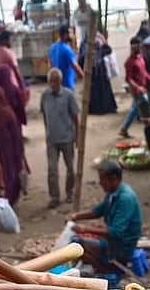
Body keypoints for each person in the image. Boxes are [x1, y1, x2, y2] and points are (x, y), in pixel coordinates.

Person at [66, 160, 142, 269]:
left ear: (113, 178)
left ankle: (105, 269)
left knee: (76, 244)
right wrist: (76, 216)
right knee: (83, 238)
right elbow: (98, 211)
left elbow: (116, 232)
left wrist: (85, 229)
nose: (100, 183)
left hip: (122, 246)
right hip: (114, 241)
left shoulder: (125, 198)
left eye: (102, 179)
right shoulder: (113, 192)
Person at [41, 68, 79, 208]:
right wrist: (47, 132)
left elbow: (75, 117)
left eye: (55, 82)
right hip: (52, 139)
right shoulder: (44, 96)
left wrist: (77, 136)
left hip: (67, 138)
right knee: (52, 170)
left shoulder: (68, 95)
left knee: (70, 168)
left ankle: (70, 192)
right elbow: (45, 115)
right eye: (50, 82)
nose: (53, 84)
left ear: (60, 82)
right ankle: (54, 197)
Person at [120, 37, 150, 138]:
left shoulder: (140, 57)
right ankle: (124, 128)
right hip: (137, 90)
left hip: (144, 87)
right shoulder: (129, 62)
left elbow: (143, 72)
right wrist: (138, 87)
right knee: (137, 108)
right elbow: (128, 79)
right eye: (138, 46)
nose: (140, 48)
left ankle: (148, 122)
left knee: (144, 105)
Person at [0, 30, 27, 97]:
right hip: (11, 85)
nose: (12, 43)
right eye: (11, 40)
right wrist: (22, 87)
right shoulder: (9, 53)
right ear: (5, 40)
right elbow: (16, 71)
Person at [85, 32, 118, 116]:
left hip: (96, 69)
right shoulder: (99, 39)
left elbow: (107, 50)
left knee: (98, 89)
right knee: (101, 89)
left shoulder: (88, 41)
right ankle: (104, 108)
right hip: (98, 69)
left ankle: (99, 109)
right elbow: (108, 50)